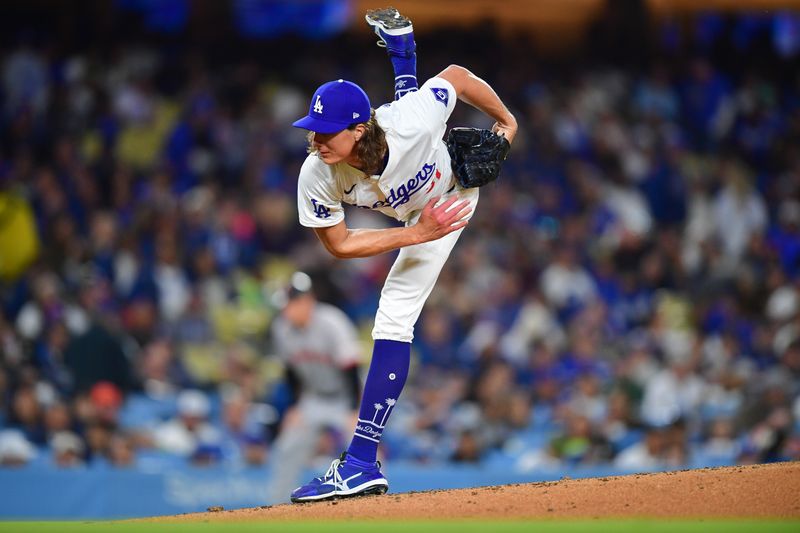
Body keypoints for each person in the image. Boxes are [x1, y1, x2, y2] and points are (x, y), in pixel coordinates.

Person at [288, 7, 517, 502]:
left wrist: (506, 121)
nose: (316, 139)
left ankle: (360, 463)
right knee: (406, 116)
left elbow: (456, 76)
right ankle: (403, 47)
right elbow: (341, 244)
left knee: (393, 317)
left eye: (327, 131)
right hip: (415, 218)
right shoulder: (318, 171)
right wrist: (416, 235)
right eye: (312, 128)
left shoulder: (409, 122)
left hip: (450, 194)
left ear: (358, 127)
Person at [266, 271, 363, 503]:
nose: (287, 310)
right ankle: (278, 510)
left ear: (308, 300)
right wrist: (294, 406)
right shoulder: (282, 328)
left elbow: (351, 369)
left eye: (292, 303)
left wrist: (354, 409)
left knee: (363, 448)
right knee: (287, 448)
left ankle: (377, 506)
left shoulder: (332, 322)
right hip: (313, 398)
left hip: (346, 397)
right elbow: (290, 371)